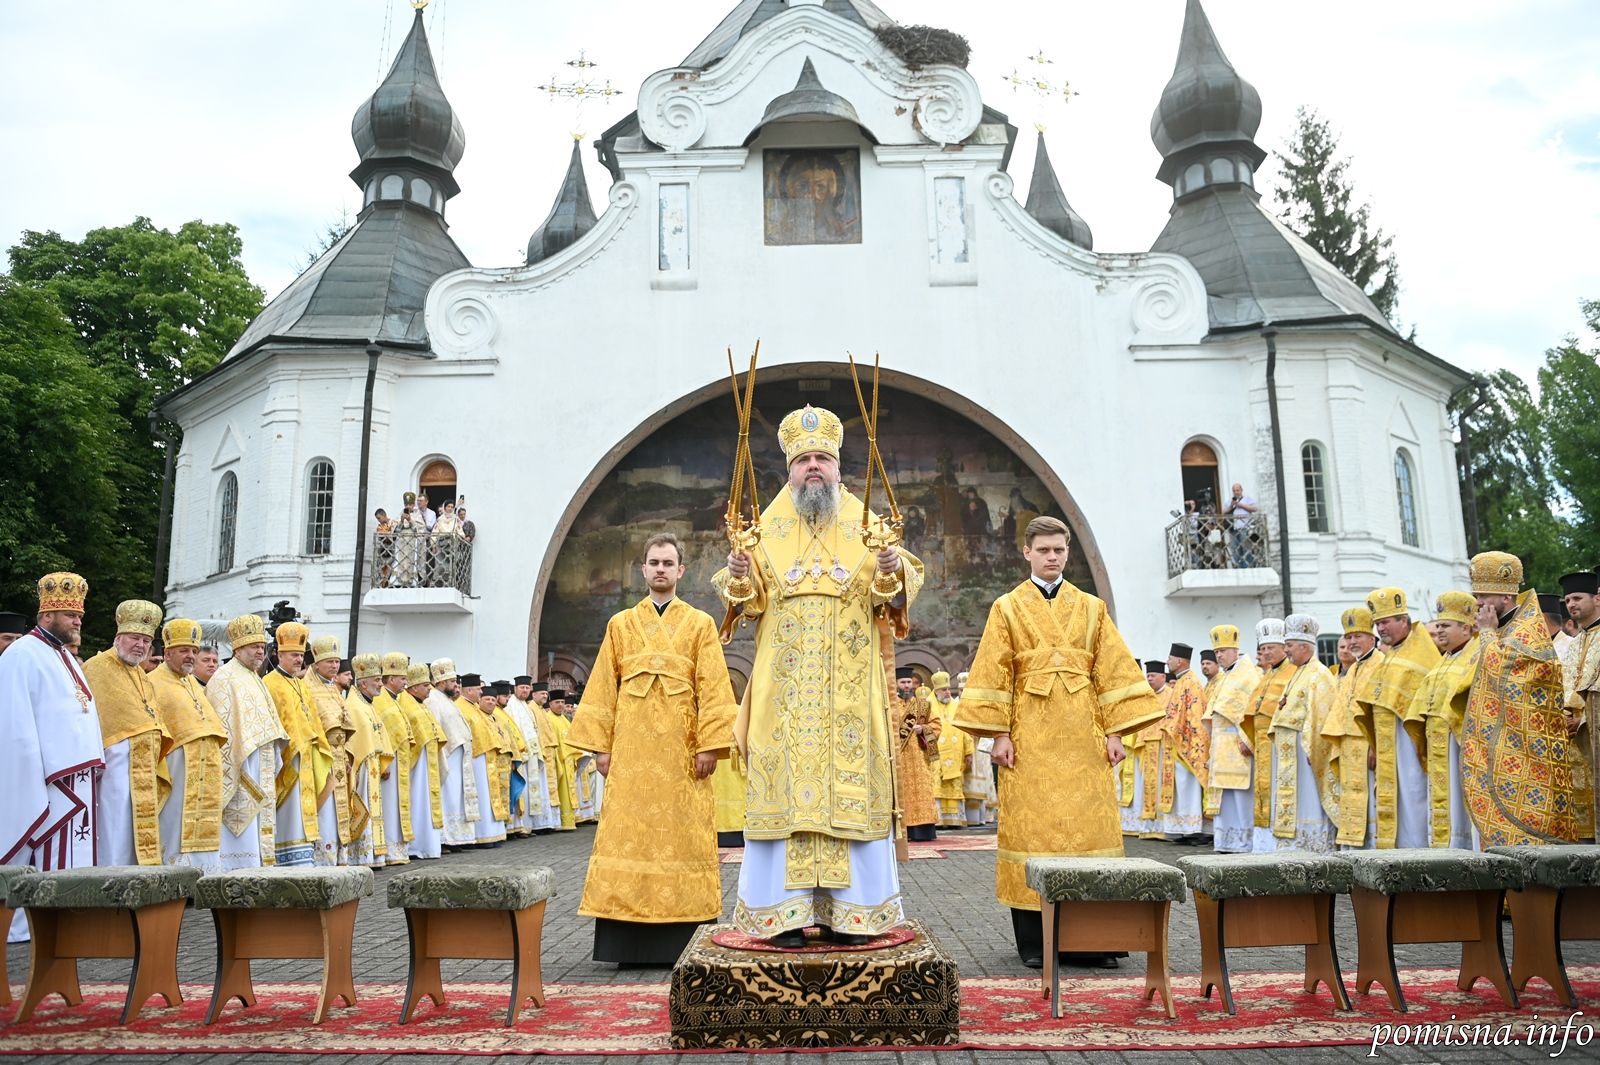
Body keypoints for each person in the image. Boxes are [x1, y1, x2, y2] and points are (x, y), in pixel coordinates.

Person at [716, 405, 923, 946]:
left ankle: (854, 914)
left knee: (848, 798)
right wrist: (737, 576)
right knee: (782, 804)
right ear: (789, 467)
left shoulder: (868, 524)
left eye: (822, 459)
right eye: (804, 459)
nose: (813, 468)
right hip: (782, 695)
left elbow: (897, 590)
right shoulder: (761, 533)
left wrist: (890, 570)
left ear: (838, 466)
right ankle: (779, 916)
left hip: (849, 695)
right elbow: (746, 601)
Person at [955, 515, 1163, 968]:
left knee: (1090, 835)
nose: (1052, 557)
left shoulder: (1092, 608)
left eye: (1059, 550)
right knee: (1032, 833)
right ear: (1026, 553)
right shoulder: (1006, 607)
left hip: (1083, 737)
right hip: (1028, 740)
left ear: (1067, 553)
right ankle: (1036, 943)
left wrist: (1114, 734)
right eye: (1044, 550)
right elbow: (995, 672)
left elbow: (1110, 672)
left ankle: (1097, 940)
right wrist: (999, 736)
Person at [568, 532, 738, 964]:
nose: (660, 569)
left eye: (668, 563)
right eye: (653, 562)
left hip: (683, 758)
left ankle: (685, 936)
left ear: (681, 570)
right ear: (643, 570)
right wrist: (600, 748)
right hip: (631, 755)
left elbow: (714, 688)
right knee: (630, 838)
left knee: (682, 837)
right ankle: (626, 941)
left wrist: (711, 746)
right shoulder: (620, 625)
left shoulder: (701, 624)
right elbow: (604, 687)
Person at [1, 573, 105, 944]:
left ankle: (66, 925)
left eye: (79, 614)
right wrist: (33, 779)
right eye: (70, 614)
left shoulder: (65, 657)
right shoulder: (20, 656)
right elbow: (14, 727)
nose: (79, 620)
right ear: (47, 615)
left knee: (69, 864)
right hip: (47, 781)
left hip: (75, 781)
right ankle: (29, 927)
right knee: (41, 859)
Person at [1463, 551, 1588, 845]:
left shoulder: (1527, 631)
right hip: (1508, 747)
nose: (1478, 602)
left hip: (1530, 755)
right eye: (1476, 594)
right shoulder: (1502, 628)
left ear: (1506, 597)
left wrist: (1485, 633)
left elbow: (1501, 670)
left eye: (1484, 594)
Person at [82, 600, 172, 866]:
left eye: (146, 641)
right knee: (113, 832)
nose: (141, 646)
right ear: (118, 637)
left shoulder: (142, 675)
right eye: (135, 638)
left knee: (136, 838)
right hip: (111, 771)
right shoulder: (96, 667)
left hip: (142, 771)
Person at [1356, 588, 1441, 849]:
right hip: (1387, 746)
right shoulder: (1391, 654)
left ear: (1404, 621)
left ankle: (1418, 854)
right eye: (1378, 623)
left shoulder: (1422, 654)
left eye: (1385, 622)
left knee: (1414, 795)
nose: (1381, 628)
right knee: (1393, 798)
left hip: (1410, 745)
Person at [205, 614, 289, 869]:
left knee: (258, 817)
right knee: (242, 818)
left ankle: (258, 864)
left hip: (259, 758)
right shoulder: (223, 678)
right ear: (238, 649)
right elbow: (223, 727)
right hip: (239, 762)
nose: (260, 652)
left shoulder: (254, 677)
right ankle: (235, 866)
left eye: (262, 648)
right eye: (255, 647)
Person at [150, 617, 228, 874]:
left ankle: (205, 875)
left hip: (205, 769)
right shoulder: (153, 682)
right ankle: (175, 875)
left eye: (194, 651)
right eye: (184, 651)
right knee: (176, 823)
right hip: (176, 768)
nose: (190, 657)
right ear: (167, 652)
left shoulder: (192, 683)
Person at [1260, 615, 1336, 852]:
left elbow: (1321, 715)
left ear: (1304, 646)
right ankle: (1291, 845)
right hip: (1288, 752)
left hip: (1304, 751)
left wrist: (1312, 746)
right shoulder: (1298, 672)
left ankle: (1312, 845)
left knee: (1308, 800)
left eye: (1289, 646)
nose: (1286, 650)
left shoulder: (1319, 674)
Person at [1413, 591, 1482, 849]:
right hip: (1440, 745)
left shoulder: (1476, 655)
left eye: (1445, 626)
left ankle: (1466, 851)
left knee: (1461, 805)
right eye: (1438, 626)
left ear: (1465, 628)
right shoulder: (1444, 660)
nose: (1439, 631)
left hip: (1461, 745)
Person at [262, 622, 333, 866]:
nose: (298, 660)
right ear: (279, 654)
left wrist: (318, 747)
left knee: (303, 813)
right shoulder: (270, 683)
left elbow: (312, 719)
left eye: (301, 656)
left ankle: (304, 859)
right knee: (289, 812)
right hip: (287, 758)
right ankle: (285, 859)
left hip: (306, 756)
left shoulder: (302, 684)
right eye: (293, 655)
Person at [1319, 608, 1385, 848]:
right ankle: (1351, 849)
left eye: (1357, 636)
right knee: (1350, 797)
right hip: (1348, 746)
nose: (1352, 642)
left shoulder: (1381, 664)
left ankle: (1372, 849)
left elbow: (1379, 709)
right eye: (1348, 637)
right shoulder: (1353, 668)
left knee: (1370, 800)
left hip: (1367, 745)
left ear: (1372, 637)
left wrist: (1376, 745)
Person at [1200, 624, 1261, 853]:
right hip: (1221, 744)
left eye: (1223, 651)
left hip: (1238, 743)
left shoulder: (1248, 674)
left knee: (1240, 796)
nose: (1219, 656)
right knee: (1225, 797)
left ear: (1235, 650)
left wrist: (1248, 739)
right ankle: (1226, 841)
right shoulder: (1226, 676)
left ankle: (1244, 842)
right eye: (1217, 652)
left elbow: (1251, 711)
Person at [1241, 620, 1296, 851]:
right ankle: (1264, 845)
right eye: (1263, 649)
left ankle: (1280, 842)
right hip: (1262, 745)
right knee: (1264, 793)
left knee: (1279, 792)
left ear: (1284, 647)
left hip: (1279, 745)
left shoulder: (1292, 672)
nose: (1265, 652)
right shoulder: (1267, 675)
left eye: (1270, 648)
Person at [304, 635, 356, 865]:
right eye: (330, 662)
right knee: (326, 810)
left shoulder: (333, 688)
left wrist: (344, 755)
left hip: (339, 755)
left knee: (339, 810)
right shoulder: (308, 688)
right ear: (316, 664)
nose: (335, 666)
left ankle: (339, 856)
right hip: (322, 756)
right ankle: (323, 859)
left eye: (337, 662)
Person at [1560, 569, 1599, 839]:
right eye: (1568, 600)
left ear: (1597, 599)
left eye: (1577, 598)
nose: (1571, 604)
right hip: (1573, 738)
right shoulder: (1574, 644)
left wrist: (1583, 719)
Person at [426, 659, 480, 847]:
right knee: (448, 796)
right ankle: (445, 838)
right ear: (441, 682)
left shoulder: (447, 700)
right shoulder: (432, 699)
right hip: (447, 755)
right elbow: (435, 727)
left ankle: (459, 837)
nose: (456, 685)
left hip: (459, 756)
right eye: (452, 681)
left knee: (457, 797)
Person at [342, 653, 390, 867]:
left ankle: (373, 854)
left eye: (380, 680)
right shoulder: (354, 704)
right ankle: (360, 855)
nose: (380, 684)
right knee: (364, 807)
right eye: (376, 681)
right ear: (362, 683)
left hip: (371, 764)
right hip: (361, 766)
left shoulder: (367, 703)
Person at [1158, 643, 1209, 843]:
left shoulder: (1191, 682)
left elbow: (1195, 715)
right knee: (1180, 785)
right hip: (1176, 740)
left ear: (1179, 661)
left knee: (1189, 785)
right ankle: (1182, 828)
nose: (1168, 662)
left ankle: (1194, 829)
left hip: (1187, 741)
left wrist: (1185, 736)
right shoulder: (1181, 681)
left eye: (1170, 659)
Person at [371, 653, 415, 864]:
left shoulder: (394, 699)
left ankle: (398, 847)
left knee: (397, 804)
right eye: (402, 678)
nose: (405, 682)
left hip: (400, 759)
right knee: (389, 804)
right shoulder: (380, 699)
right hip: (389, 761)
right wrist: (383, 762)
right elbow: (379, 732)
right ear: (390, 678)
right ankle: (388, 847)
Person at [399, 660, 445, 859]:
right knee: (417, 801)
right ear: (414, 687)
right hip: (416, 766)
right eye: (426, 686)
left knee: (426, 802)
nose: (429, 689)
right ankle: (417, 846)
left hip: (427, 763)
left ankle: (429, 846)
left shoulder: (422, 705)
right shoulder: (406, 704)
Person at [891, 666, 941, 842]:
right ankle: (904, 830)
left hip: (920, 758)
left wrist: (923, 729)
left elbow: (936, 725)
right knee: (902, 793)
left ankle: (924, 831)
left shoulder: (921, 705)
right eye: (903, 682)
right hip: (899, 759)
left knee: (923, 792)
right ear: (896, 684)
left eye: (909, 682)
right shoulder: (889, 706)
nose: (906, 686)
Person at [1129, 661, 1172, 840]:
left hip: (1162, 747)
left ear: (1163, 677)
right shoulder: (1148, 696)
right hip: (1147, 746)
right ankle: (1147, 828)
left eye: (1153, 675)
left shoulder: (1170, 695)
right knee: (1145, 786)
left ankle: (1162, 827)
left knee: (1161, 785)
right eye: (1148, 676)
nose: (1150, 679)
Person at [507, 676, 556, 832]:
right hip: (524, 754)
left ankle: (534, 824)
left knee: (534, 787)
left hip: (534, 753)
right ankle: (524, 824)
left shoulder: (527, 706)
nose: (525, 690)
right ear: (515, 689)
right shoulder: (510, 706)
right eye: (522, 688)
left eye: (527, 688)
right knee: (525, 789)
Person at [930, 673, 972, 828]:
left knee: (954, 785)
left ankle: (954, 820)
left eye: (948, 689)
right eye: (944, 689)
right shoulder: (928, 705)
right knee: (937, 787)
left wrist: (969, 751)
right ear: (936, 690)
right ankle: (939, 820)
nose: (948, 692)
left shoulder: (956, 705)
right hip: (936, 755)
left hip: (956, 754)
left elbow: (965, 728)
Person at [546, 688, 579, 831]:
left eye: (562, 702)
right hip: (558, 761)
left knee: (568, 791)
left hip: (568, 760)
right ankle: (559, 821)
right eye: (557, 702)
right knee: (561, 792)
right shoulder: (548, 719)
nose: (560, 705)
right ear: (551, 704)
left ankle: (569, 821)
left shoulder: (565, 720)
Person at [1226, 482, 1258, 568]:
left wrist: (1240, 505)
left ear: (1241, 490)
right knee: (1235, 550)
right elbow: (1223, 511)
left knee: (1246, 549)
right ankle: (1239, 568)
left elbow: (1254, 508)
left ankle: (1247, 568)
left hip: (1245, 528)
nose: (1236, 492)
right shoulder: (1230, 500)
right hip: (1233, 529)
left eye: (1237, 490)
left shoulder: (1247, 499)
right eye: (1234, 490)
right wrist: (1231, 506)